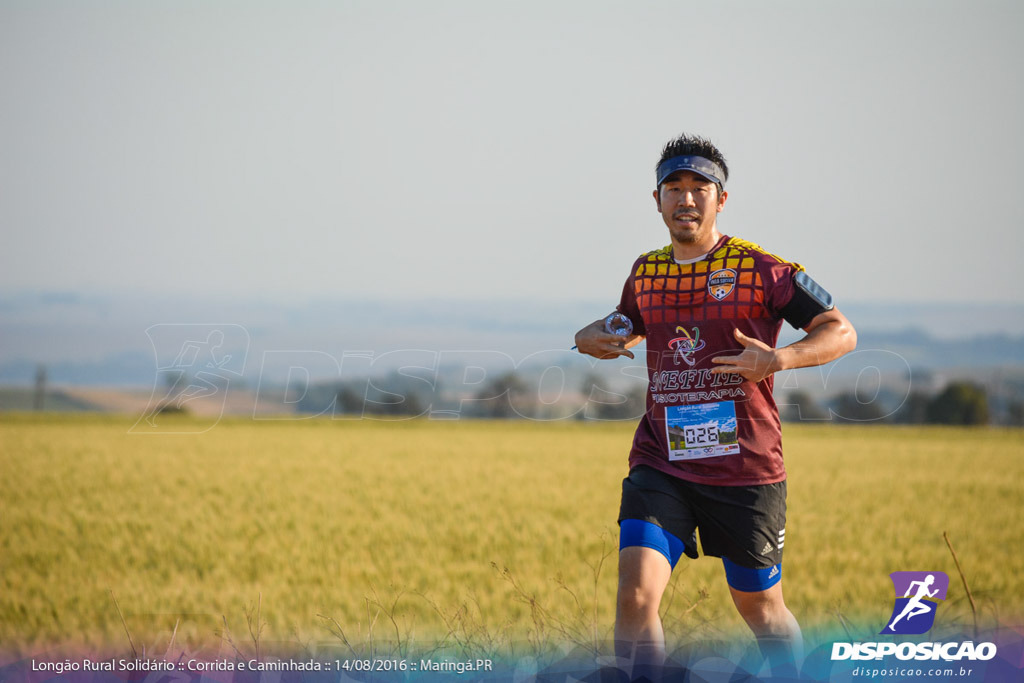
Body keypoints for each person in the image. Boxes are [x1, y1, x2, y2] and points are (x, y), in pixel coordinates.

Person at [574, 133, 856, 679]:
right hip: (662, 463)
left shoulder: (763, 268)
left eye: (699, 188)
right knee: (635, 598)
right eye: (673, 188)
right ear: (655, 200)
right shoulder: (646, 270)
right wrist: (590, 336)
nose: (686, 199)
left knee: (762, 611)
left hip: (745, 471)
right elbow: (624, 326)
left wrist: (777, 360)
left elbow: (840, 332)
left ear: (720, 199)